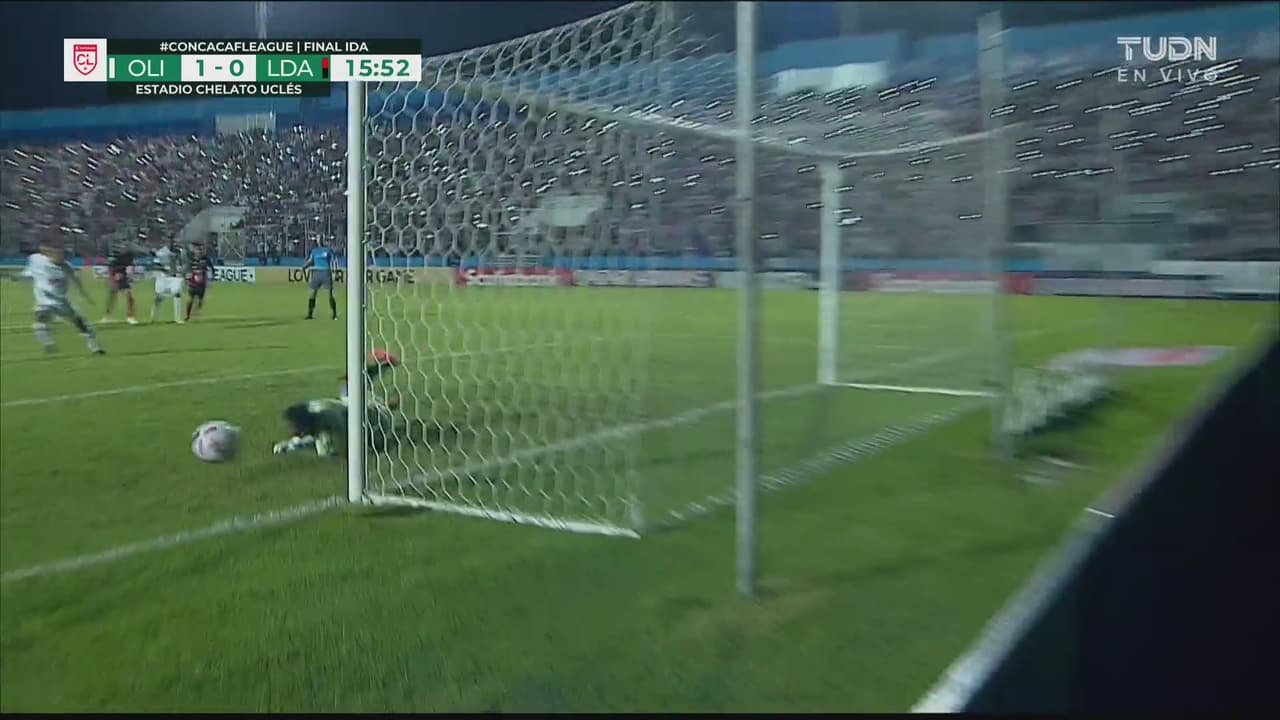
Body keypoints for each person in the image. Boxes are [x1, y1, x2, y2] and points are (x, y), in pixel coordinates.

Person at [14, 241, 105, 355]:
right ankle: (48, 344)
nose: (61, 257)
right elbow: (29, 273)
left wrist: (85, 295)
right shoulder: (36, 260)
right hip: (44, 302)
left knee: (81, 324)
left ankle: (95, 348)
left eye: (63, 255)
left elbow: (77, 281)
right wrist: (17, 277)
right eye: (59, 254)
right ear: (51, 254)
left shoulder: (67, 267)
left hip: (62, 303)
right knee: (40, 322)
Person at [102, 241, 139, 325]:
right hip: (116, 276)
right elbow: (111, 267)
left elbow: (130, 266)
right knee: (112, 297)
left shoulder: (130, 256)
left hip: (123, 277)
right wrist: (113, 277)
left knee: (129, 297)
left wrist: (129, 276)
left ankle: (130, 317)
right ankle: (107, 316)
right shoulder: (117, 256)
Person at [301, 239, 338, 320]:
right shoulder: (314, 251)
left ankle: (334, 314)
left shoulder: (328, 250)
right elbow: (311, 261)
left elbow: (334, 261)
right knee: (312, 294)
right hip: (316, 272)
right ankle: (310, 314)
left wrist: (335, 271)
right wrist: (305, 266)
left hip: (326, 272)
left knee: (330, 294)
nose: (319, 241)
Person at [150, 242, 186, 323]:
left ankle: (178, 318)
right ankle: (154, 317)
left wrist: (181, 271)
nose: (171, 242)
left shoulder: (180, 251)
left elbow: (183, 263)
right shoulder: (161, 252)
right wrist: (165, 270)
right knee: (159, 297)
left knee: (177, 294)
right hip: (163, 277)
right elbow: (155, 265)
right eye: (170, 240)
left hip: (175, 277)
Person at [184, 243, 216, 322]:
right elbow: (188, 270)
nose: (199, 252)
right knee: (190, 299)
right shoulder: (191, 260)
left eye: (201, 250)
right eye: (198, 250)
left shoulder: (206, 259)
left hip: (202, 284)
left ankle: (196, 312)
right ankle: (188, 316)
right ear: (195, 251)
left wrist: (210, 280)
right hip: (192, 283)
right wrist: (187, 280)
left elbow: (211, 269)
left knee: (200, 300)